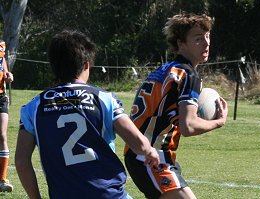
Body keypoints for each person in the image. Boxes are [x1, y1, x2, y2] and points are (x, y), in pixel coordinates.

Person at [15, 30, 160, 199]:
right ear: (86, 64)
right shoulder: (104, 98)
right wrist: (150, 151)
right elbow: (139, 144)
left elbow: (21, 161)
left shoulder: (34, 107)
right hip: (108, 194)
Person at [124, 13, 228, 199]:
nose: (206, 44)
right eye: (198, 39)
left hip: (139, 154)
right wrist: (218, 122)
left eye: (207, 37)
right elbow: (188, 126)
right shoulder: (188, 75)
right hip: (151, 157)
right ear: (181, 44)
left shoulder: (165, 70)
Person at [0, 40, 14, 192]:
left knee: (2, 136)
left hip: (1, 97)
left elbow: (1, 60)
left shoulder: (1, 44)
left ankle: (2, 179)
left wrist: (7, 74)